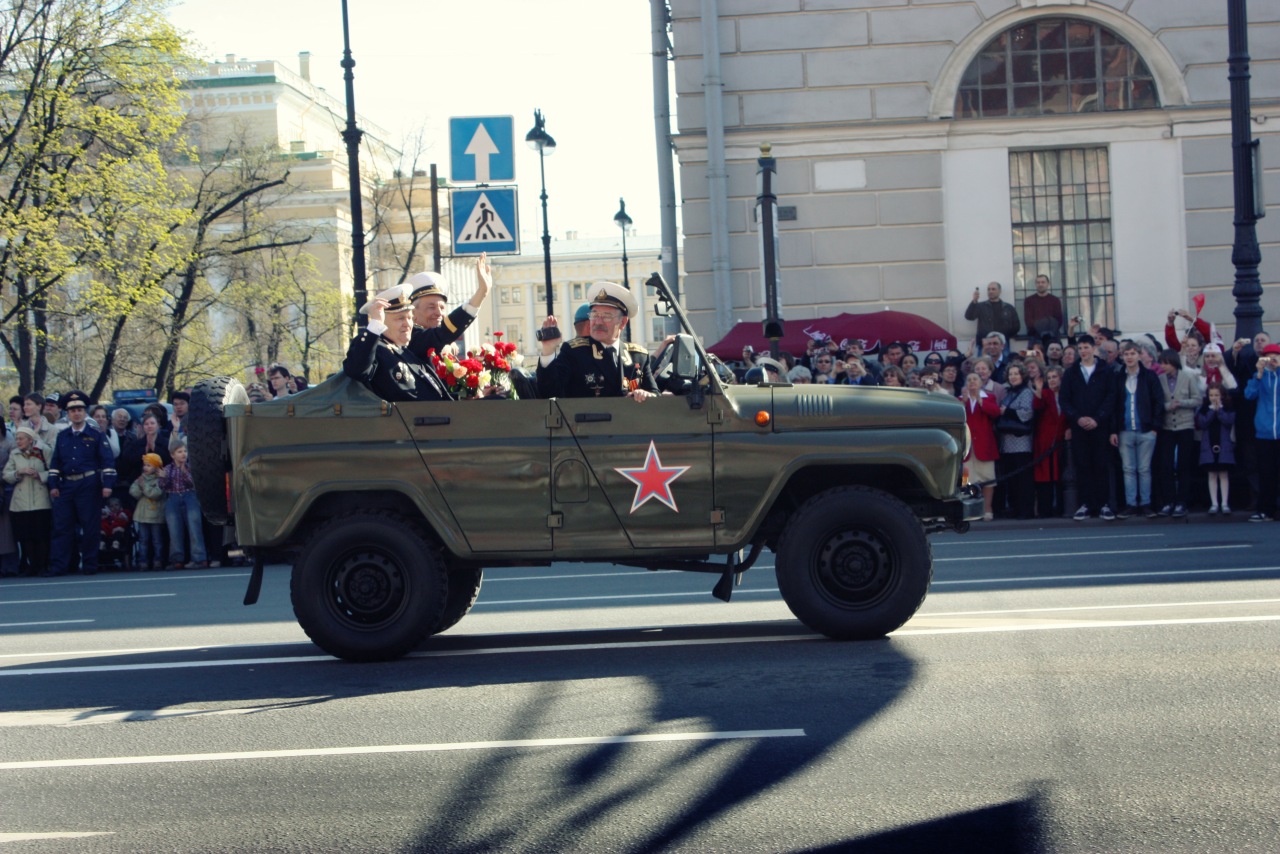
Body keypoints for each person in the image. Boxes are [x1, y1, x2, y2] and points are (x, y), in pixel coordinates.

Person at [537, 282, 659, 401]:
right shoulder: (575, 352)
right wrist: (548, 350)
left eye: (606, 316)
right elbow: (549, 391)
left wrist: (645, 395)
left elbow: (656, 395)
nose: (598, 322)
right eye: (594, 315)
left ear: (622, 322)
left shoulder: (638, 356)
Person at [343, 284, 455, 402]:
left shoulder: (407, 353)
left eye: (410, 318)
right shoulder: (376, 348)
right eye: (400, 318)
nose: (407, 324)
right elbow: (357, 369)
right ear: (382, 321)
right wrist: (374, 325)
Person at [46, 390, 117, 577]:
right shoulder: (62, 437)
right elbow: (55, 464)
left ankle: (90, 565)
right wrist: (53, 485)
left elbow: (107, 462)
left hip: (89, 485)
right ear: (67, 414)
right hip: (67, 486)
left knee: (90, 527)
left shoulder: (96, 435)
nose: (76, 413)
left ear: (85, 412)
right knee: (62, 528)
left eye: (79, 409)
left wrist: (107, 484)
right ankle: (59, 566)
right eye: (72, 410)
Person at [1060, 334, 1116, 521]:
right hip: (1079, 427)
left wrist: (1098, 418)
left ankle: (1104, 504)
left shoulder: (1105, 371)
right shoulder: (1071, 372)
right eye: (1080, 348)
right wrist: (1077, 418)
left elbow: (1111, 398)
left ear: (1093, 348)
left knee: (1101, 465)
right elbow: (1065, 400)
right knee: (1082, 465)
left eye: (1086, 347)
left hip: (1100, 426)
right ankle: (1086, 504)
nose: (1083, 351)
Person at [1108, 341, 1164, 518]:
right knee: (1128, 469)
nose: (1129, 357)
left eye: (1132, 353)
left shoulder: (1149, 376)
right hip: (1125, 430)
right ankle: (1131, 503)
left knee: (1144, 468)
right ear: (1122, 357)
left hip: (1146, 430)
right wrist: (1113, 430)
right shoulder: (1118, 378)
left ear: (1139, 355)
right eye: (1126, 354)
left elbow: (1158, 402)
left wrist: (1155, 427)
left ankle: (1146, 503)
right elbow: (1114, 405)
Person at [404, 252, 492, 359]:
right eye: (431, 307)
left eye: (442, 308)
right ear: (413, 314)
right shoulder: (412, 337)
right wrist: (481, 293)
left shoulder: (443, 343)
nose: (439, 313)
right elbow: (441, 334)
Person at [1154, 349, 1200, 518]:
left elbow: (1197, 399)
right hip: (1167, 427)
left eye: (1165, 363)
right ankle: (1168, 501)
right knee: (1165, 465)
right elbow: (1157, 402)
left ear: (1173, 362)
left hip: (1185, 425)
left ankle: (1182, 501)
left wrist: (1182, 403)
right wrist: (1167, 406)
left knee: (1184, 465)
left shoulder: (1187, 377)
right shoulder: (1159, 380)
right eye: (1161, 363)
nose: (1163, 366)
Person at [3, 426, 51, 576]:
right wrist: (19, 473)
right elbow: (6, 475)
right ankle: (31, 566)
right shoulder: (14, 454)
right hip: (21, 502)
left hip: (40, 499)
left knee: (41, 535)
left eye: (21, 438)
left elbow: (54, 470)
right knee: (25, 536)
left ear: (30, 440)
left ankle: (42, 566)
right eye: (16, 438)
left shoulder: (43, 451)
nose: (18, 441)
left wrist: (41, 476)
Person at [1243, 342, 1280, 522]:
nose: (1272, 359)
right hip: (1264, 433)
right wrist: (1258, 374)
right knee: (1266, 474)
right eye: (1269, 356)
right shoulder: (1259, 376)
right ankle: (1265, 509)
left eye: (1276, 355)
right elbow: (1249, 395)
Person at [159, 438, 206, 569]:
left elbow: (194, 484)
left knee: (194, 528)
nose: (183, 454)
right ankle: (176, 559)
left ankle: (199, 558)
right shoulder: (168, 469)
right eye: (179, 452)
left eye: (185, 451)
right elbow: (163, 486)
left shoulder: (191, 467)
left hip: (190, 496)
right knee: (174, 530)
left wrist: (184, 471)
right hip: (173, 497)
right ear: (172, 455)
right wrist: (163, 477)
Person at [997, 363, 1036, 519]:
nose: (1013, 376)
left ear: (1023, 376)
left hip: (1021, 442)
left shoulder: (1026, 392)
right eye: (1011, 374)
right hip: (1006, 443)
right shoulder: (1008, 392)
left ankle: (1025, 510)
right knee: (1012, 479)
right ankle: (1014, 508)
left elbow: (1027, 414)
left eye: (1016, 374)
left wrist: (1007, 411)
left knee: (1023, 480)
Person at [962, 371, 1000, 521]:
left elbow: (995, 413)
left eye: (975, 379)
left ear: (981, 383)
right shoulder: (960, 399)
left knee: (988, 479)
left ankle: (987, 509)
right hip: (966, 449)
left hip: (985, 447)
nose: (972, 382)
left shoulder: (988, 397)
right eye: (969, 379)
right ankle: (971, 510)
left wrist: (980, 401)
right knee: (966, 481)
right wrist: (964, 402)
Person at [1032, 365, 1068, 517]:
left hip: (1062, 440)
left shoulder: (1067, 393)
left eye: (1055, 377)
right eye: (1049, 378)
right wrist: (1039, 391)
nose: (1052, 380)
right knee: (1044, 476)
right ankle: (1044, 510)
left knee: (1061, 476)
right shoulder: (1045, 393)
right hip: (1045, 441)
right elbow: (1037, 407)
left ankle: (1061, 508)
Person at [1196, 383, 1236, 515]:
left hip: (1223, 445)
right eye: (1211, 395)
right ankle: (1214, 503)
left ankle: (1224, 503)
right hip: (1209, 445)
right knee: (1212, 475)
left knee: (1223, 474)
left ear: (1222, 396)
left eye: (1217, 395)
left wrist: (1220, 411)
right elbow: (1203, 423)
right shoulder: (1204, 409)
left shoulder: (1228, 408)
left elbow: (1229, 421)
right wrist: (1212, 411)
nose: (1214, 398)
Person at [116, 412, 172, 493]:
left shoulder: (166, 442)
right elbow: (128, 462)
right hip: (139, 483)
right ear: (143, 427)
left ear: (158, 425)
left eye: (152, 423)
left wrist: (154, 448)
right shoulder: (135, 444)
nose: (149, 426)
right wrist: (144, 450)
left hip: (160, 482)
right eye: (146, 424)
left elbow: (169, 460)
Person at [129, 451, 167, 570]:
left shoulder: (160, 480)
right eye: (145, 465)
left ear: (156, 467)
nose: (145, 467)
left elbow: (155, 494)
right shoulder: (141, 478)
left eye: (149, 465)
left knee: (157, 540)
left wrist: (144, 487)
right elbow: (133, 491)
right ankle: (143, 561)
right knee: (143, 540)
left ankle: (158, 560)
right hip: (142, 515)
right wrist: (144, 489)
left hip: (156, 515)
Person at [965, 281, 1020, 351]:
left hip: (1003, 345)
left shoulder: (1008, 308)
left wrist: (1004, 335)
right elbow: (969, 317)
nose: (990, 291)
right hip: (985, 345)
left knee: (1003, 362)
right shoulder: (981, 306)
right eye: (989, 289)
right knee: (984, 362)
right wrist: (974, 302)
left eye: (993, 289)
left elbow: (1016, 326)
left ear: (1000, 291)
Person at [1024, 273, 1064, 341]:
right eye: (1038, 282)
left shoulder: (1055, 300)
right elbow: (1028, 320)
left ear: (1048, 284)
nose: (1040, 284)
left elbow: (1059, 320)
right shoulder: (1029, 301)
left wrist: (1050, 332)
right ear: (1035, 285)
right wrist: (1040, 330)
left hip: (1053, 336)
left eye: (1043, 282)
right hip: (1035, 336)